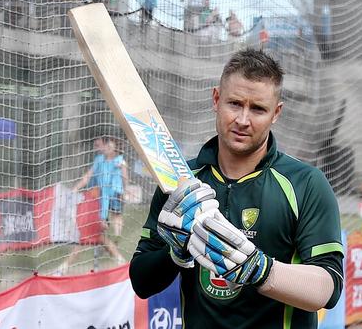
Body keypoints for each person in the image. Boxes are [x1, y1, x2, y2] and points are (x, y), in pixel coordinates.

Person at [130, 49, 343, 329]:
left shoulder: (305, 183)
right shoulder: (181, 183)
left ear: (276, 113)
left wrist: (260, 271)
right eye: (234, 104)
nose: (243, 120)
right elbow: (141, 282)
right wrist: (175, 254)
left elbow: (328, 289)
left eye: (258, 109)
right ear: (216, 99)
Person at [56, 138, 127, 275]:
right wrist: (75, 189)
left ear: (115, 149)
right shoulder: (99, 160)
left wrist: (124, 185)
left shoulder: (119, 161)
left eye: (109, 145)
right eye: (106, 145)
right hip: (96, 204)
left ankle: (63, 268)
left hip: (107, 204)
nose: (106, 147)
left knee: (92, 237)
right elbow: (88, 177)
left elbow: (124, 180)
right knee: (98, 237)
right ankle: (121, 263)